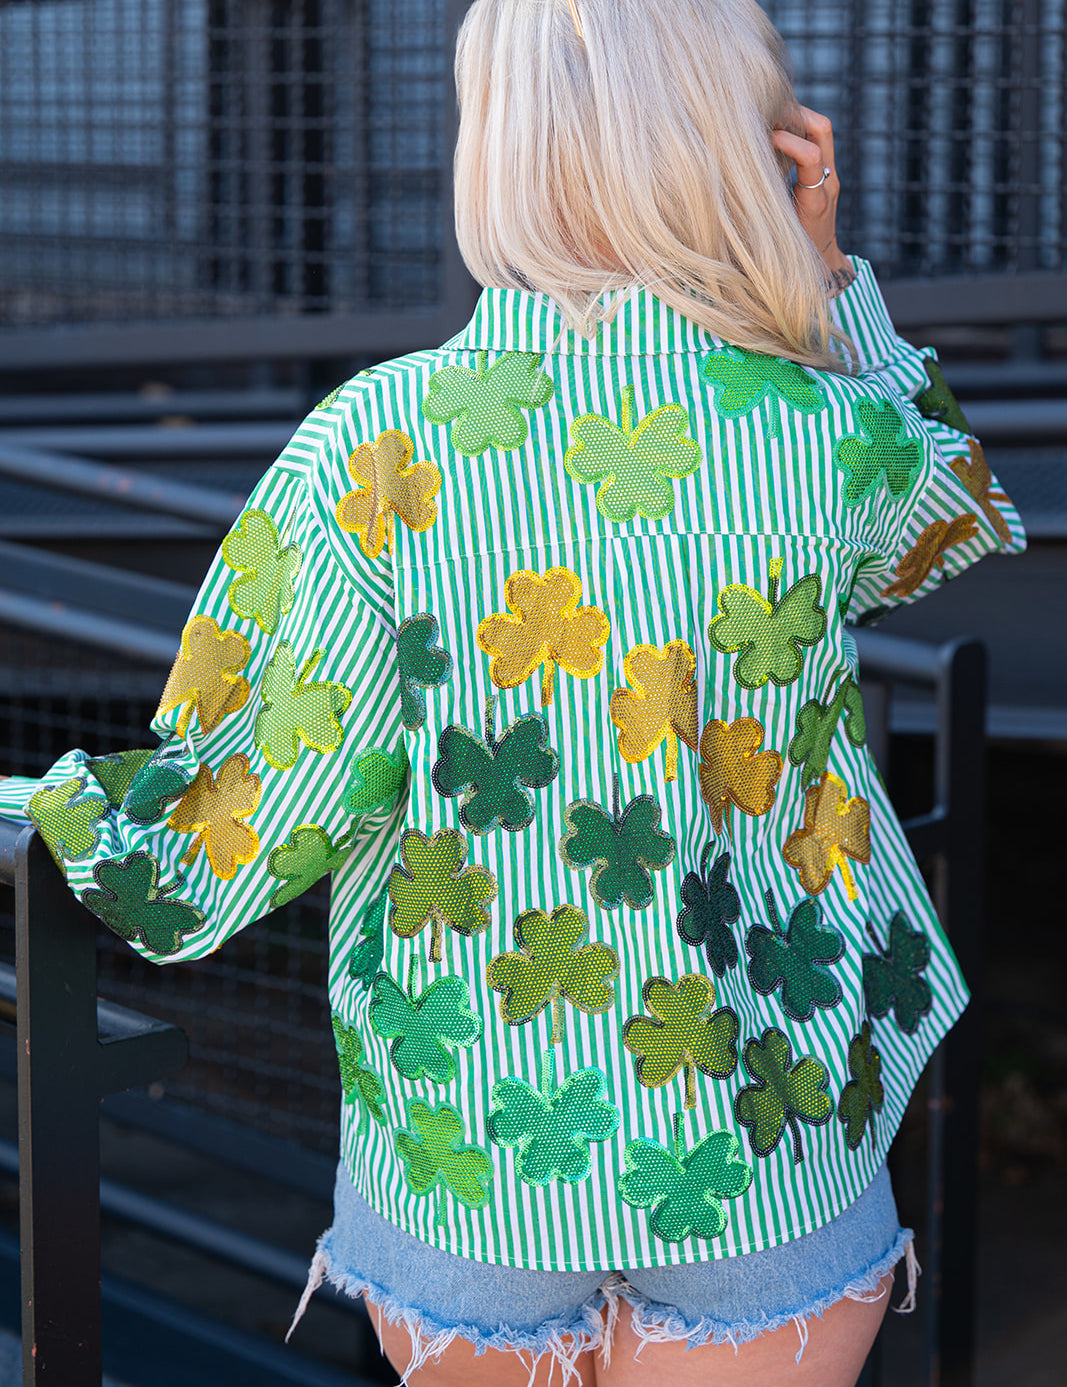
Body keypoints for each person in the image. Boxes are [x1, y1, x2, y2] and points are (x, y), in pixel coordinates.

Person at [0, 1, 1024, 1383]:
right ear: (731, 145)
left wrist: (52, 815)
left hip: (469, 1150)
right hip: (766, 1135)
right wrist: (827, 273)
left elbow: (266, 799)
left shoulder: (375, 445)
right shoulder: (823, 432)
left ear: (500, 139)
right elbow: (952, 517)